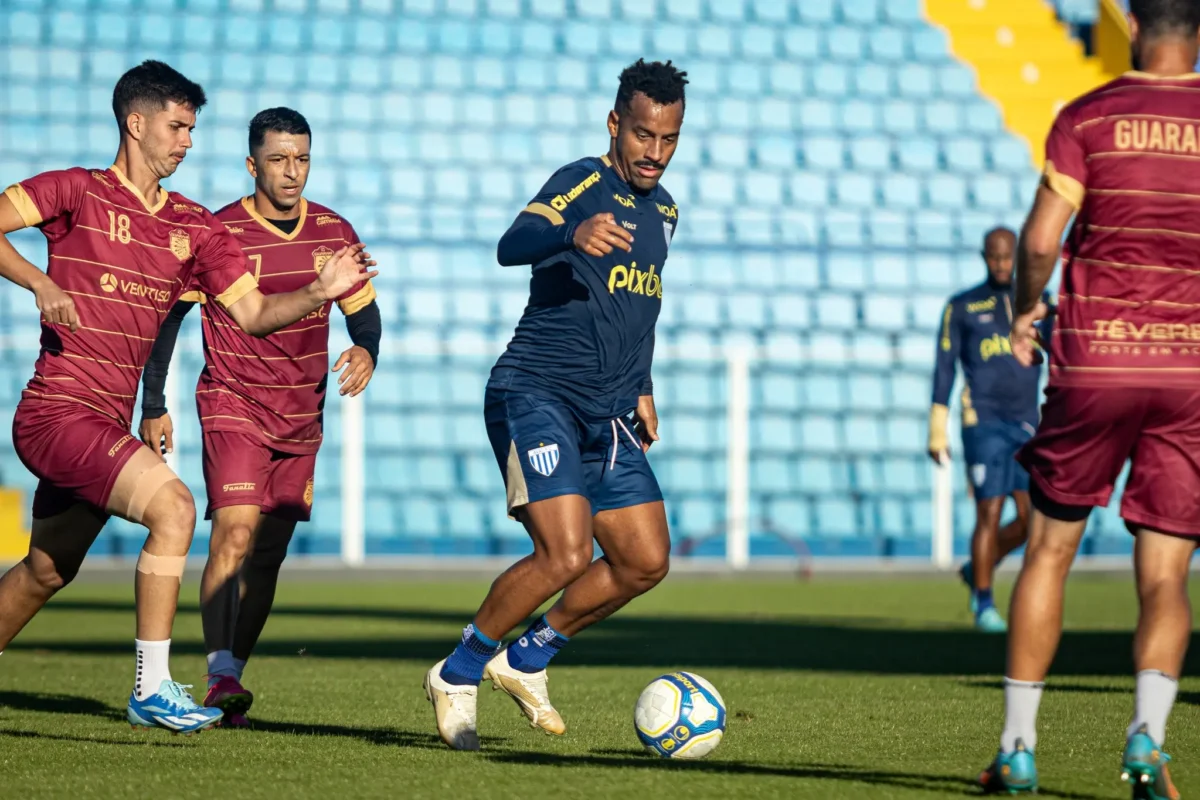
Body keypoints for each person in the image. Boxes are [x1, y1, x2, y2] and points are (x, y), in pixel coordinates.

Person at [0, 61, 375, 734]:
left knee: (45, 572)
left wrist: (321, 294)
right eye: (176, 126)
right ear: (134, 123)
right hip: (57, 412)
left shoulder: (196, 227)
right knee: (175, 507)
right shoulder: (75, 191)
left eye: (193, 128)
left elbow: (255, 313)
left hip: (102, 423)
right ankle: (152, 687)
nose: (187, 142)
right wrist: (39, 283)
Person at [422, 59, 686, 751]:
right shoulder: (580, 183)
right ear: (615, 124)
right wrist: (570, 232)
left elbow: (640, 308)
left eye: (668, 139)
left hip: (609, 412)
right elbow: (511, 245)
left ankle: (529, 657)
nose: (654, 152)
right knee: (566, 553)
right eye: (642, 135)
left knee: (644, 561)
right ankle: (458, 672)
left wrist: (644, 386)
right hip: (535, 394)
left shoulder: (665, 212)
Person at [978, 2, 1200, 795]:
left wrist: (1023, 311)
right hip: (1190, 375)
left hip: (1095, 358)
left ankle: (1019, 748)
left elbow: (1039, 241)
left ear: (1134, 25)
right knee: (1168, 575)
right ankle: (1146, 739)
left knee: (1048, 551)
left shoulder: (1092, 114)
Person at [137, 107, 381, 729]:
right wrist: (155, 403)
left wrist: (365, 347)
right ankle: (217, 669)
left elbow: (363, 310)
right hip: (233, 401)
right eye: (278, 159)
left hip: (302, 413)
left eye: (301, 158)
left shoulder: (334, 231)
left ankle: (230, 677)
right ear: (252, 165)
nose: (291, 171)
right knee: (236, 532)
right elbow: (169, 321)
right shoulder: (216, 235)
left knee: (268, 554)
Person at [928, 228, 1050, 632]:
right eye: (994, 257)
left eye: (1006, 257)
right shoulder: (961, 307)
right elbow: (944, 367)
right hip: (981, 421)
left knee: (1034, 518)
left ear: (1016, 256)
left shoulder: (1035, 304)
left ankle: (978, 566)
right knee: (990, 510)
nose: (1000, 264)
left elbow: (1061, 350)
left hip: (1027, 422)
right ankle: (984, 603)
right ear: (984, 256)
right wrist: (936, 427)